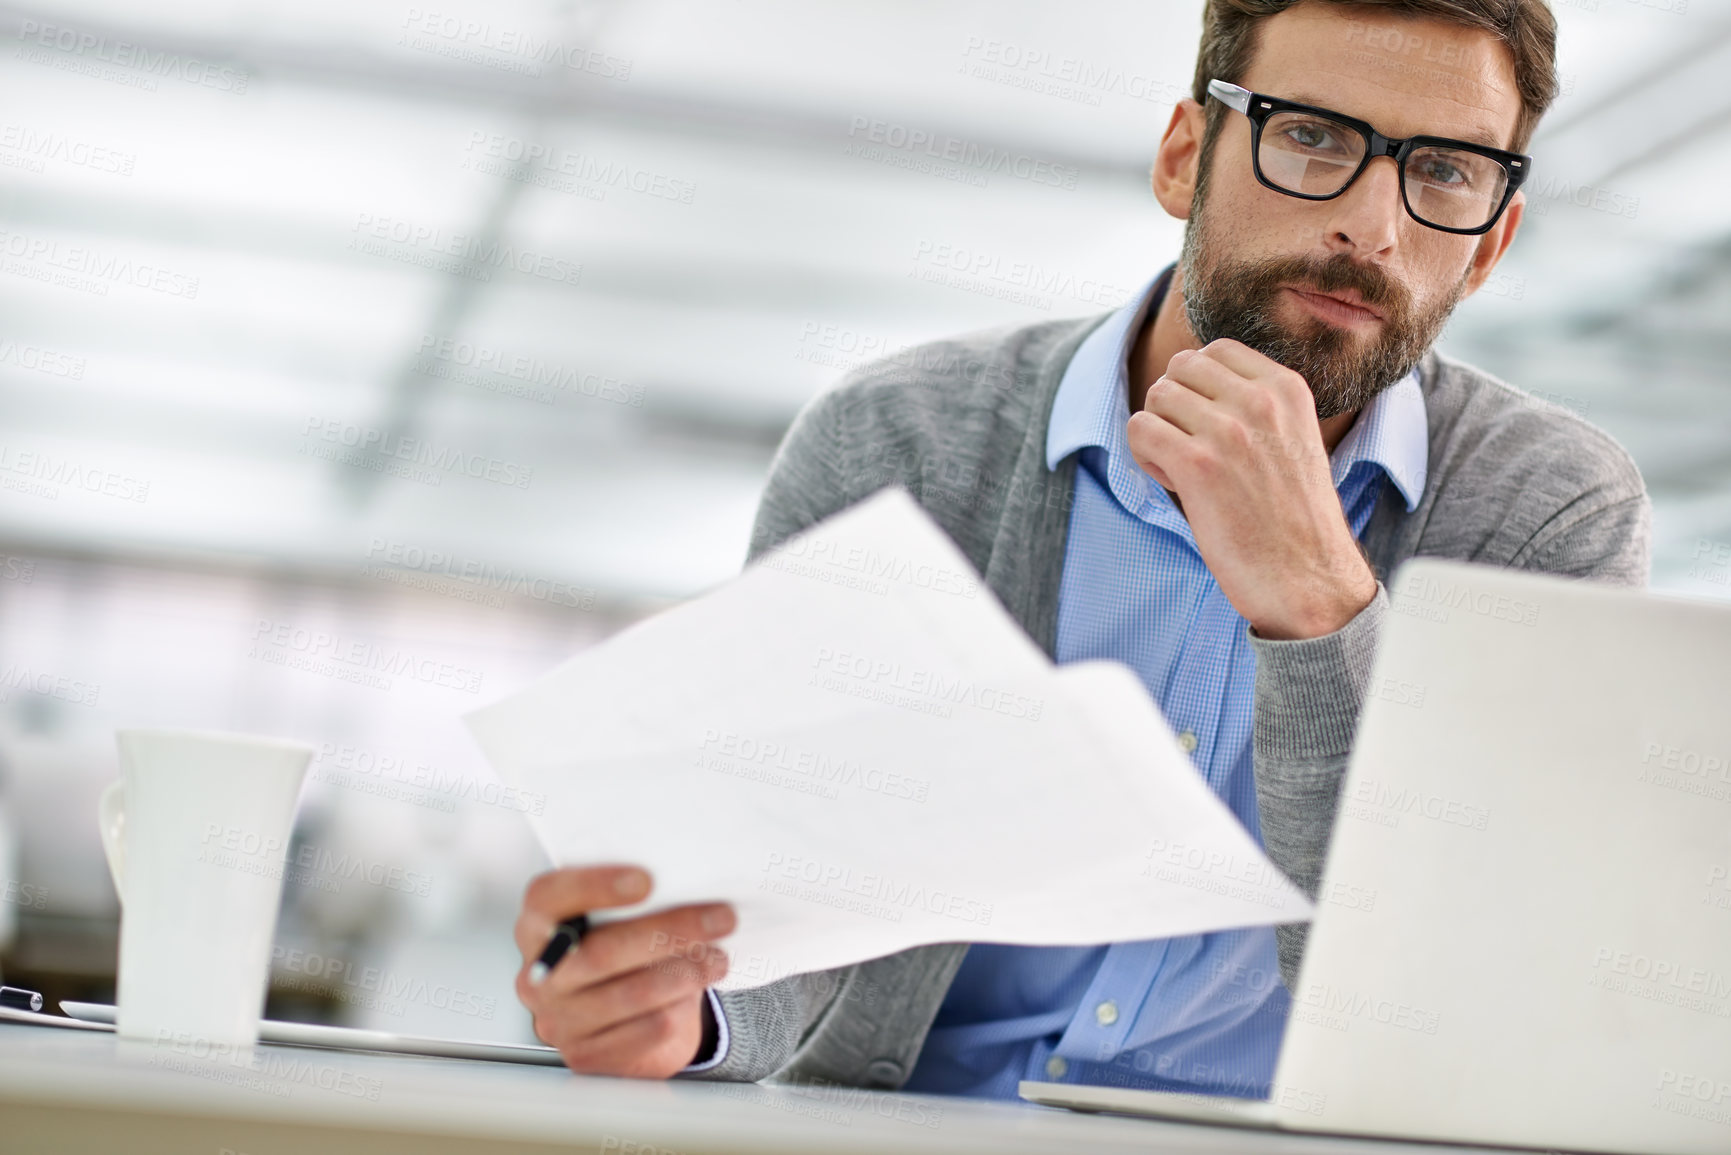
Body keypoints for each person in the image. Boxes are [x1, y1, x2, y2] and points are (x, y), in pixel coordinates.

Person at [511, 0, 1648, 1100]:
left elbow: (1469, 997)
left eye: (1444, 171)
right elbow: (779, 914)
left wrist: (1319, 601)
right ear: (1184, 156)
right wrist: (682, 1009)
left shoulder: (1546, 509)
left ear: (1491, 245)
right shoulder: (900, 440)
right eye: (1311, 138)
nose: (1374, 226)